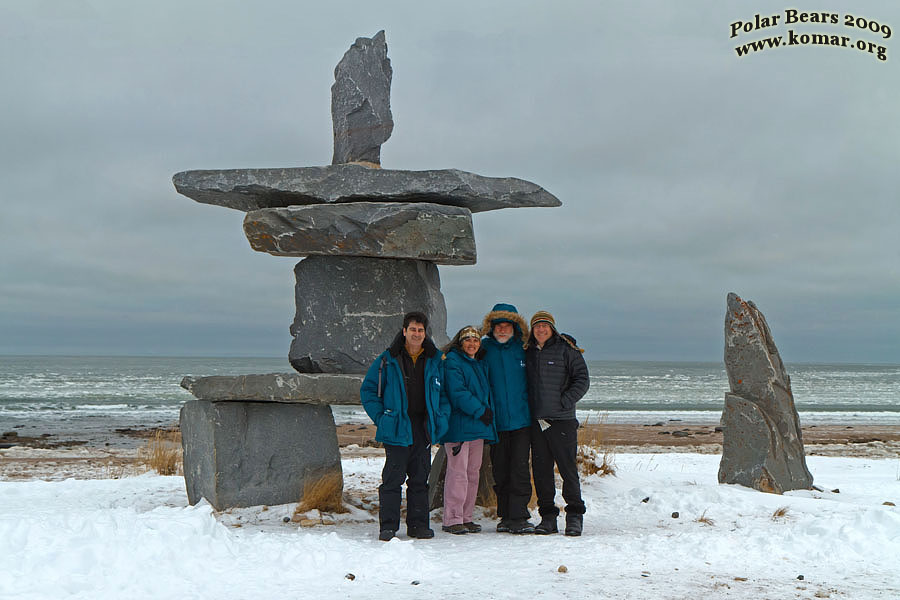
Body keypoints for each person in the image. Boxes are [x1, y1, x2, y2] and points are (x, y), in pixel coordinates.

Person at [360, 311, 448, 541]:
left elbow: (445, 395)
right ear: (404, 331)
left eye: (420, 330)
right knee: (392, 479)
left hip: (423, 427)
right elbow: (368, 391)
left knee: (420, 479)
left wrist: (441, 419)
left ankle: (419, 526)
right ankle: (388, 527)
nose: (416, 334)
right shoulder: (388, 359)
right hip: (397, 426)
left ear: (425, 333)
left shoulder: (435, 360)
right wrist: (382, 418)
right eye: (412, 330)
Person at [525, 310, 590, 536]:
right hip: (536, 422)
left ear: (552, 328)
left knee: (567, 470)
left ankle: (574, 516)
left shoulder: (566, 350)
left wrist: (565, 401)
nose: (541, 330)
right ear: (532, 330)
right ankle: (548, 518)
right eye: (536, 326)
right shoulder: (528, 352)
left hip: (562, 421)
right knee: (541, 471)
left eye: (545, 326)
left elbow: (582, 379)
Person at [480, 303, 535, 534]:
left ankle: (519, 516)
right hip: (496, 422)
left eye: (507, 326)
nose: (502, 330)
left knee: (520, 468)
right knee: (500, 469)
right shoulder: (483, 349)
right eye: (498, 326)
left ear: (515, 327)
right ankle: (505, 516)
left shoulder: (524, 348)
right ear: (491, 328)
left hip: (522, 420)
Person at [439, 325, 497, 535]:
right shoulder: (453, 361)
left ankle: (466, 516)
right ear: (460, 342)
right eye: (468, 340)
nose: (472, 344)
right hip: (459, 427)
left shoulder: (477, 364)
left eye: (476, 340)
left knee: (472, 473)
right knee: (458, 473)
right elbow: (457, 393)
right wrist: (481, 410)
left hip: (477, 428)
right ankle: (452, 518)